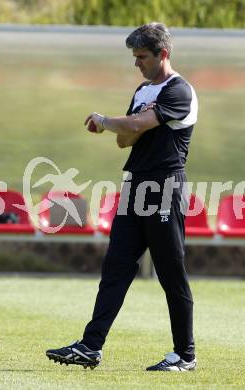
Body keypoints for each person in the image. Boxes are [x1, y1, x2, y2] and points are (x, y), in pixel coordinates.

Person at [46, 22, 198, 372]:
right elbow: (124, 138)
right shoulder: (144, 90)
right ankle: (90, 347)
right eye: (134, 57)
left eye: (142, 56)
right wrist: (128, 124)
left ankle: (185, 355)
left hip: (165, 187)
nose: (137, 63)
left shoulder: (180, 90)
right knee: (115, 268)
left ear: (163, 53)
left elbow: (129, 127)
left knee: (171, 272)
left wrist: (109, 120)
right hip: (135, 187)